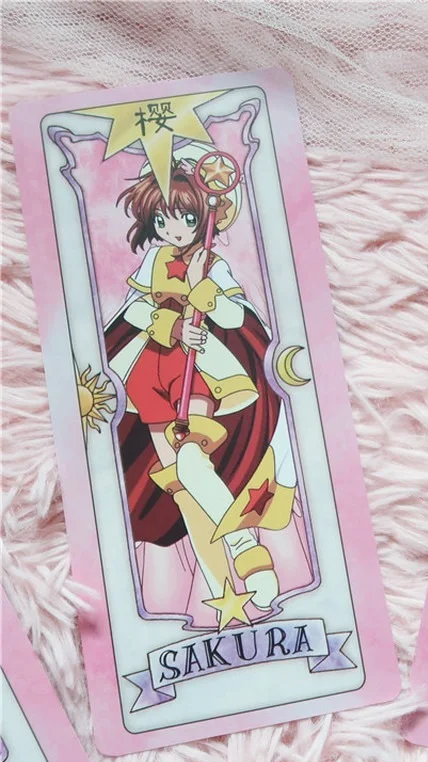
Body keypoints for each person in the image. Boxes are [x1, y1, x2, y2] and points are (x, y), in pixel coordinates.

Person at [105, 147, 297, 623]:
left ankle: (249, 555)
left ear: (203, 217)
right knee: (185, 488)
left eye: (186, 218)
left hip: (198, 372)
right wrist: (170, 325)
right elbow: (135, 309)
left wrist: (210, 301)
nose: (175, 229)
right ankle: (224, 593)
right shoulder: (155, 260)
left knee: (191, 462)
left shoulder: (213, 264)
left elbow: (235, 315)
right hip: (150, 371)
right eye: (164, 219)